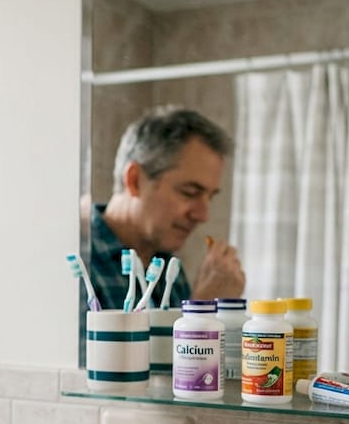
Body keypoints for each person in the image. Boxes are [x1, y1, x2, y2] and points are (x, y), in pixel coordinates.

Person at [88, 106, 245, 310]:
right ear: (135, 180)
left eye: (210, 197)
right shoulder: (81, 259)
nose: (203, 215)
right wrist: (202, 306)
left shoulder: (168, 267)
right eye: (189, 192)